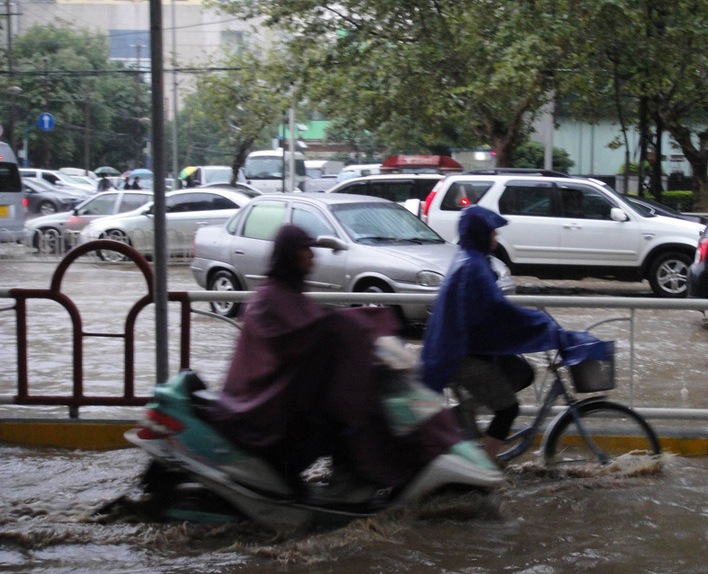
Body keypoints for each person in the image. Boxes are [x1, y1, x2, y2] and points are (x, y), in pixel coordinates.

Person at [209, 224, 462, 502]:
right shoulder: (270, 301)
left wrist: (364, 332)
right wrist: (346, 328)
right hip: (266, 414)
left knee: (349, 406)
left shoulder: (288, 295)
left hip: (284, 405)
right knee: (350, 415)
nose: (312, 257)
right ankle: (348, 488)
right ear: (290, 255)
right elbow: (307, 337)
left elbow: (317, 330)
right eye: (306, 250)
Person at [420, 206, 603, 463]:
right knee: (509, 409)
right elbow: (498, 311)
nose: (495, 237)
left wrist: (535, 322)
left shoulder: (471, 259)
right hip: (459, 354)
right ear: (480, 233)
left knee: (522, 373)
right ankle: (486, 469)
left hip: (460, 348)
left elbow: (492, 311)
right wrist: (541, 324)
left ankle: (465, 419)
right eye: (491, 232)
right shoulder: (472, 267)